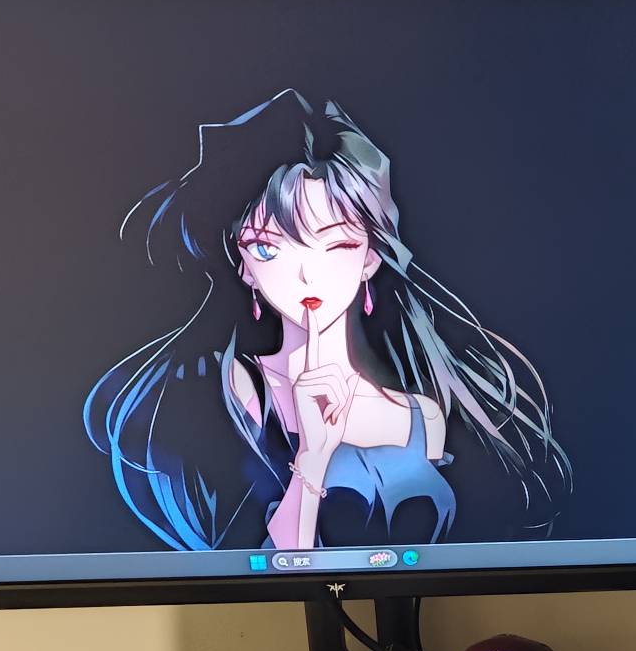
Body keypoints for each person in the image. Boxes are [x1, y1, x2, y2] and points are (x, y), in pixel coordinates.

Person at [86, 90, 569, 551]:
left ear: (370, 258)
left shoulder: (422, 415)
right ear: (245, 267)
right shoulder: (233, 389)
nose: (305, 275)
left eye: (336, 244)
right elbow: (261, 573)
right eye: (268, 248)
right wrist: (312, 459)